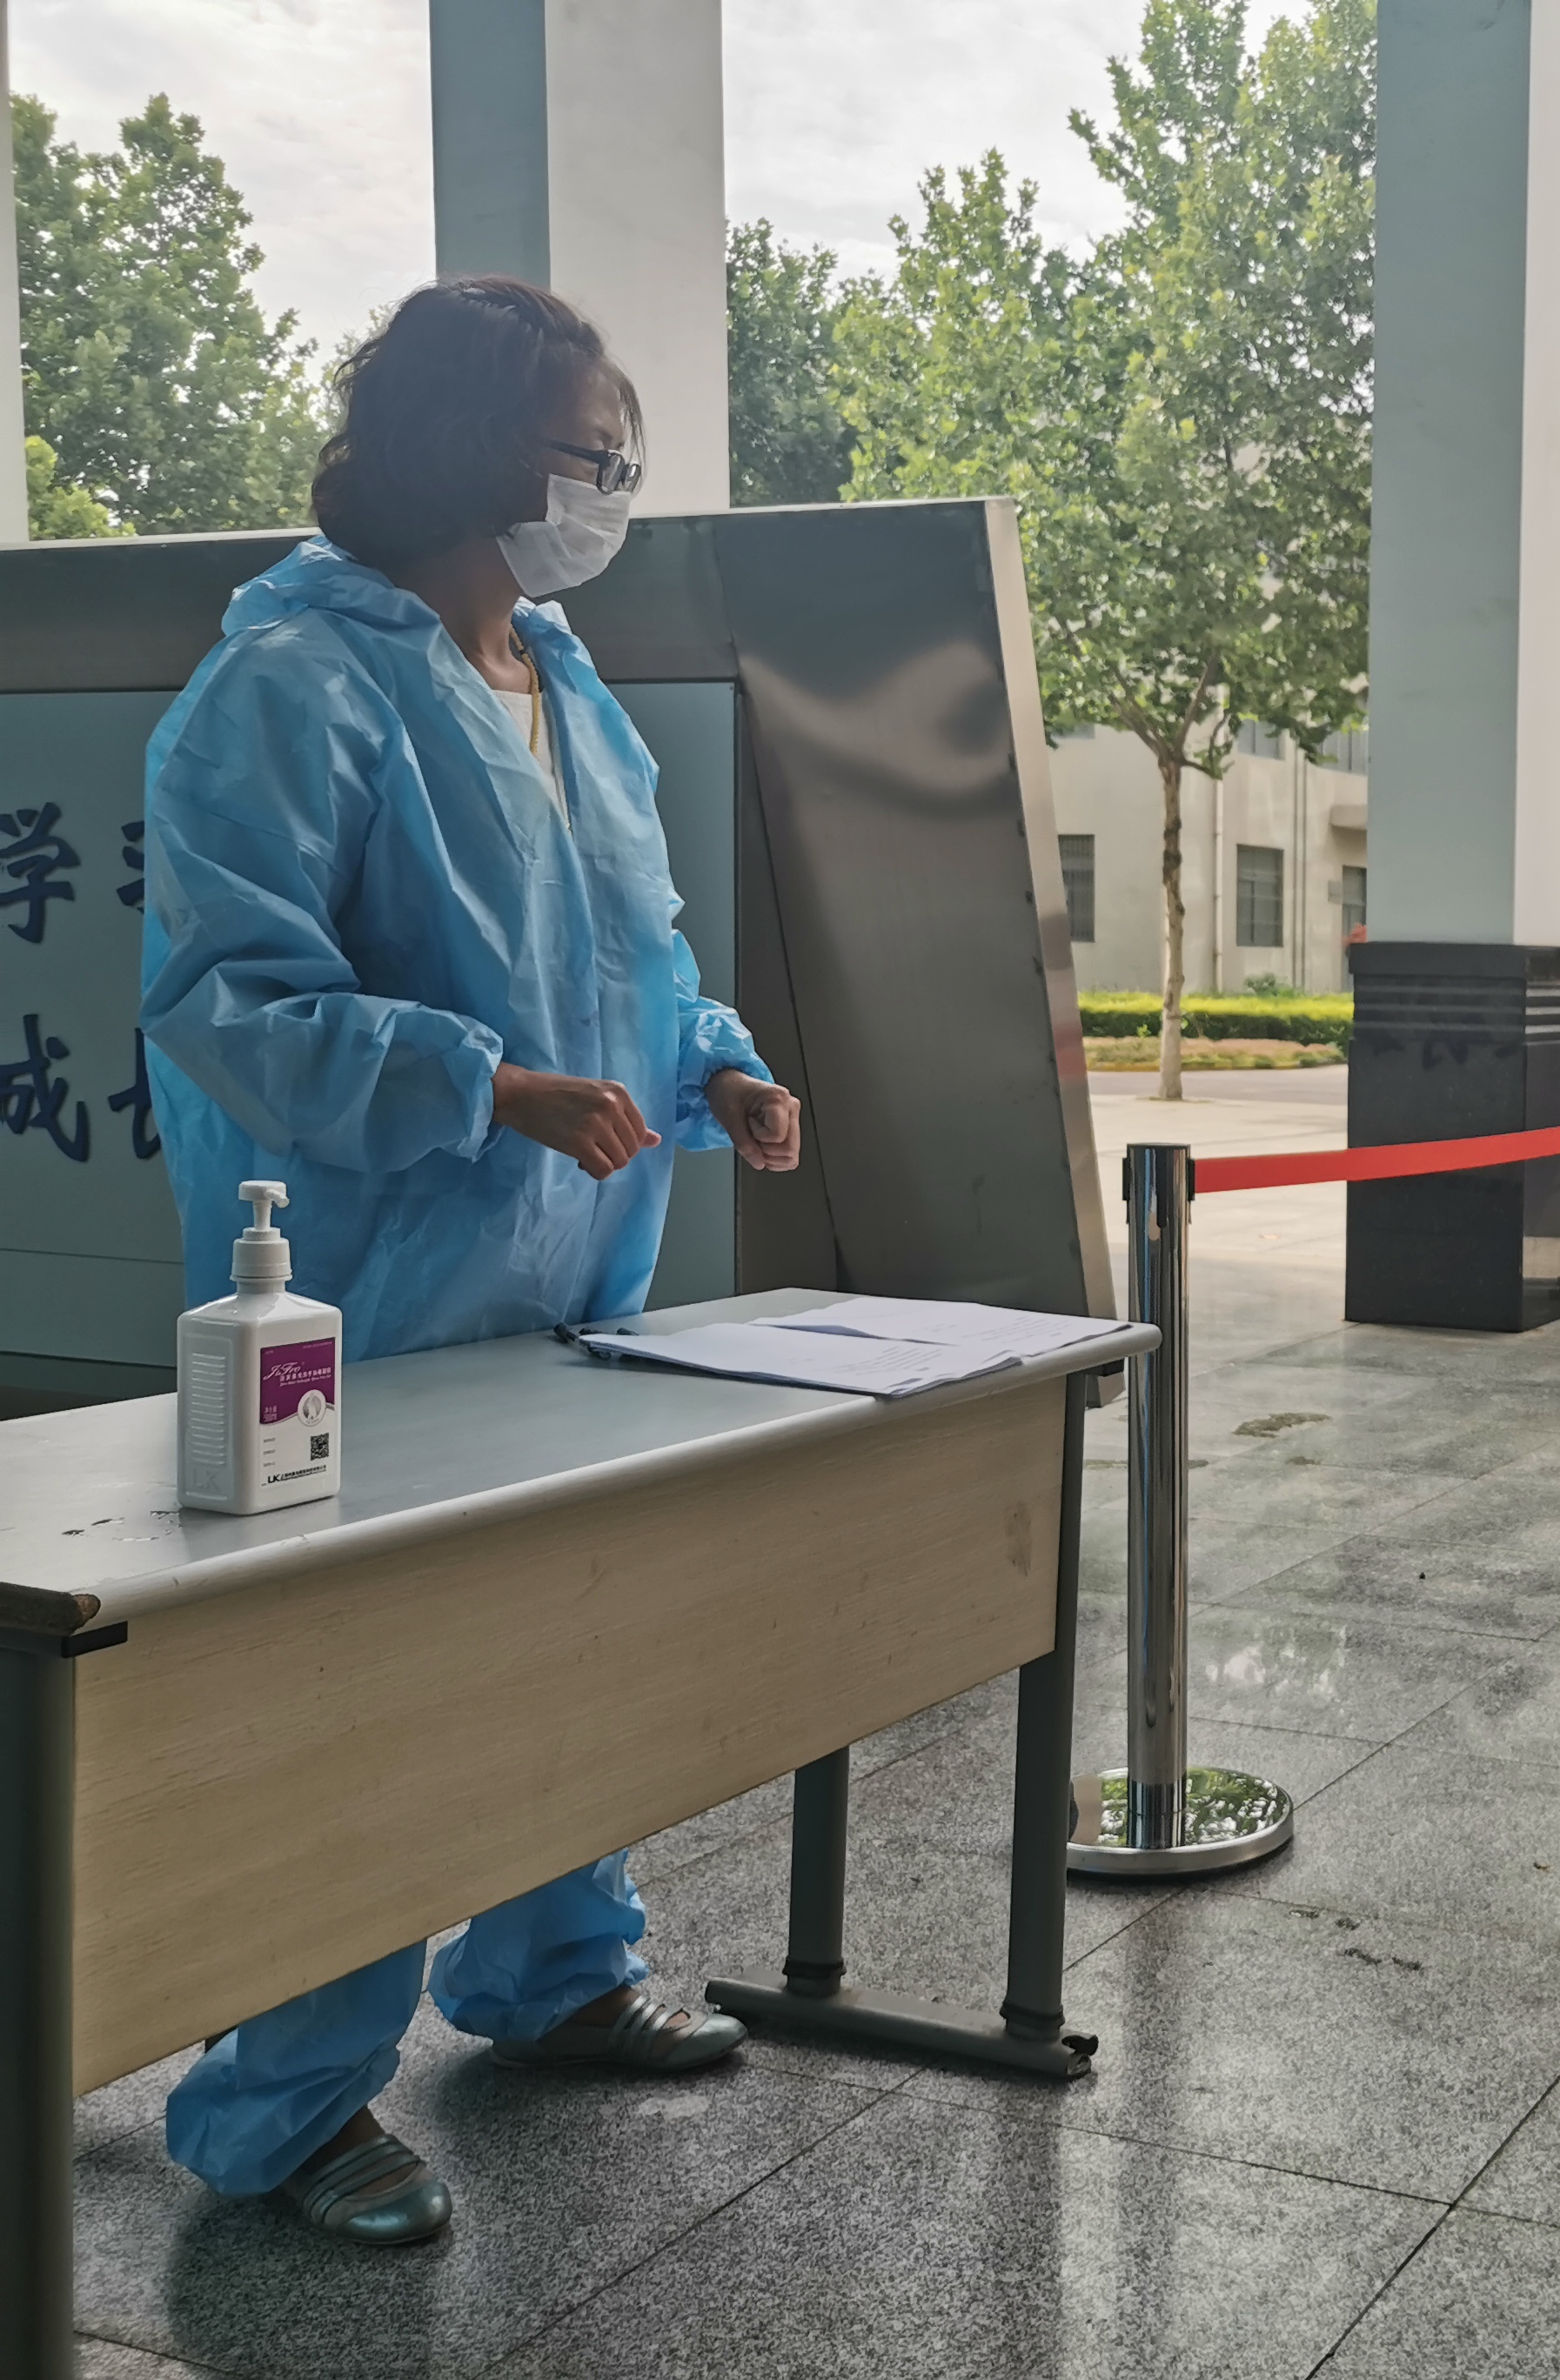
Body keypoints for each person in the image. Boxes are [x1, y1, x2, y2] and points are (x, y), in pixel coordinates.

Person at [138, 277, 806, 2245]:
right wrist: (484, 1088)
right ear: (472, 446)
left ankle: (551, 1969)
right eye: (589, 447)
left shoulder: (560, 676)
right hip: (369, 1283)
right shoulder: (289, 685)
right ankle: (281, 2103)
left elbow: (632, 953)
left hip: (576, 1270)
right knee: (365, 1680)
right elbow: (233, 1002)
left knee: (561, 1623)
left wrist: (716, 1065)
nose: (610, 486)